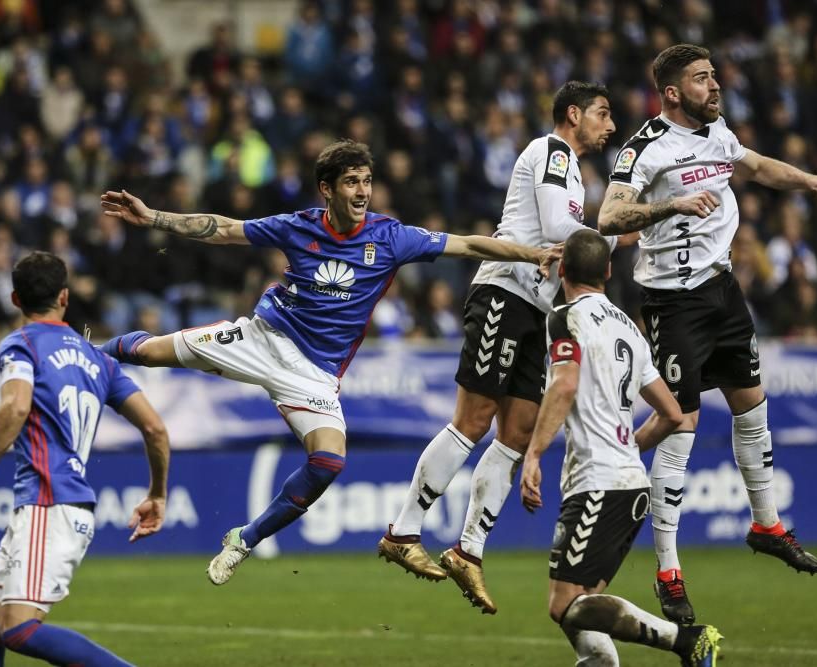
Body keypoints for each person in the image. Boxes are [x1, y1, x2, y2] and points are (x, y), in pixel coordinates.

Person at [97, 139, 561, 586]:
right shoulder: (298, 226)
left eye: (367, 181)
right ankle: (86, 354)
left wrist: (534, 253)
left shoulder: (391, 237)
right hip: (262, 338)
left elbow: (471, 245)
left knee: (328, 462)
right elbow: (222, 229)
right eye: (351, 182)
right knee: (147, 353)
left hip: (314, 375)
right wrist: (154, 216)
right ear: (327, 189)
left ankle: (244, 539)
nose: (362, 192)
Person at [597, 43, 817, 624]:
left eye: (713, 76)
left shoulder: (718, 134)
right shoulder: (645, 149)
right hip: (672, 300)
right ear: (671, 93)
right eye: (701, 78)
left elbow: (756, 166)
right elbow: (609, 218)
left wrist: (815, 182)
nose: (714, 86)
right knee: (681, 424)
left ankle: (766, 523)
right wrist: (672, 206)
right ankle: (668, 571)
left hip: (722, 290)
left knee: (751, 403)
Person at [378, 81, 631, 614]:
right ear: (572, 114)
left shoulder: (575, 170)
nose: (610, 126)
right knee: (473, 419)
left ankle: (468, 549)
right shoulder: (551, 151)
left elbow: (573, 238)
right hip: (505, 291)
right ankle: (403, 531)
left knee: (516, 433)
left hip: (539, 313)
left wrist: (614, 231)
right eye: (603, 115)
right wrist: (618, 228)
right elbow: (563, 232)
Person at [0, 251, 170, 667]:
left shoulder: (21, 344)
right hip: (58, 505)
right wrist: (158, 493)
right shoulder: (99, 359)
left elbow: (15, 407)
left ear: (15, 300)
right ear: (65, 297)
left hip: (48, 502)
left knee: (17, 628)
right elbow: (155, 430)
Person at [520, 229, 722, 667]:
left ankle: (686, 640)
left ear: (563, 270)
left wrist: (533, 454)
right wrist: (630, 446)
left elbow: (565, 384)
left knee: (564, 604)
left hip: (598, 482)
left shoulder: (564, 316)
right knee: (585, 609)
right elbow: (672, 413)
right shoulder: (629, 328)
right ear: (608, 272)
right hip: (629, 483)